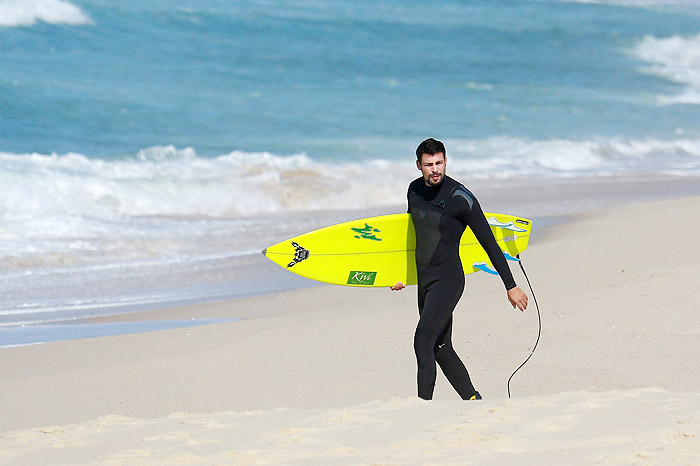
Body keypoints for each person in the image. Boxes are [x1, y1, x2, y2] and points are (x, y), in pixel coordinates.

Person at [391, 138, 528, 401]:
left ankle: (423, 407)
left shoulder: (461, 198)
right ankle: (473, 400)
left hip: (449, 279)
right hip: (425, 281)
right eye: (429, 164)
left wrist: (510, 285)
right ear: (418, 165)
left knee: (423, 340)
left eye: (439, 163)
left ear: (446, 161)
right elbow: (412, 240)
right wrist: (400, 276)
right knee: (441, 347)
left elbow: (489, 243)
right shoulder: (414, 191)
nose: (435, 170)